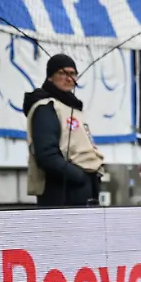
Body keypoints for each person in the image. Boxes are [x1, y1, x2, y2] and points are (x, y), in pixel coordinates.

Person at [23, 54, 104, 207]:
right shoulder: (46, 108)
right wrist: (79, 176)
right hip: (61, 190)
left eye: (72, 74)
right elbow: (47, 155)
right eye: (62, 73)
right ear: (50, 77)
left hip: (84, 189)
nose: (68, 78)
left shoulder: (73, 108)